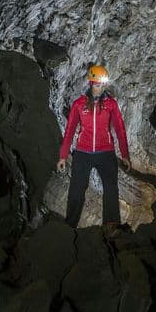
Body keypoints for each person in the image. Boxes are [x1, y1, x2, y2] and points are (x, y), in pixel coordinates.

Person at [57, 64, 131, 229]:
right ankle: (69, 226)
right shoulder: (79, 104)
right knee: (76, 190)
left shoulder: (111, 104)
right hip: (83, 152)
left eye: (103, 84)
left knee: (111, 188)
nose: (100, 87)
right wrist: (63, 156)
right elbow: (69, 130)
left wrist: (125, 155)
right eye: (97, 84)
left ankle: (111, 224)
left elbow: (120, 129)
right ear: (91, 83)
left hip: (106, 152)